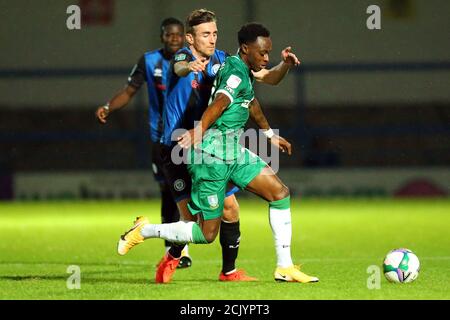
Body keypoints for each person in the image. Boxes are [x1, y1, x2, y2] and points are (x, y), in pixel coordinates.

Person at [118, 20, 316, 282]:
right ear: (191, 38)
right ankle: (146, 233)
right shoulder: (193, 58)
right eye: (205, 34)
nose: (212, 39)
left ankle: (273, 268)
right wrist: (199, 125)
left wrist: (269, 133)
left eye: (215, 34)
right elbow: (211, 92)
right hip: (193, 149)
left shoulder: (230, 63)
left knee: (271, 195)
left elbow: (253, 97)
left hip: (223, 148)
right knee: (201, 230)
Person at [95, 18, 192, 268]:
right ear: (162, 37)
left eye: (178, 35)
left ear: (185, 37)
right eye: (169, 35)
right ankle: (175, 249)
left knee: (186, 191)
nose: (174, 38)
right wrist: (108, 106)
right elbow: (129, 91)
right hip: (160, 137)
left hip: (190, 135)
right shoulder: (150, 61)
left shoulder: (193, 60)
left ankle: (180, 247)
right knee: (169, 191)